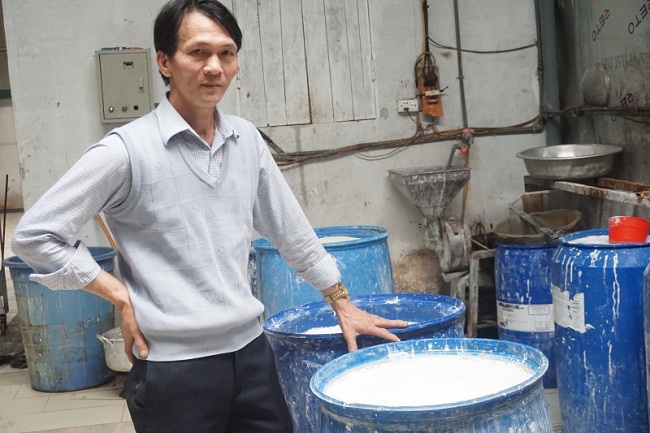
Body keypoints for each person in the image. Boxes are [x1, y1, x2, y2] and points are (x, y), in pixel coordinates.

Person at [11, 1, 406, 431]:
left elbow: (291, 231)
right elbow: (35, 236)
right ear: (165, 62)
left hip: (252, 357)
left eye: (226, 53)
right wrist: (118, 295)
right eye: (198, 52)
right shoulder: (125, 150)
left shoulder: (246, 140)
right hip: (173, 369)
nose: (214, 67)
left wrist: (341, 302)